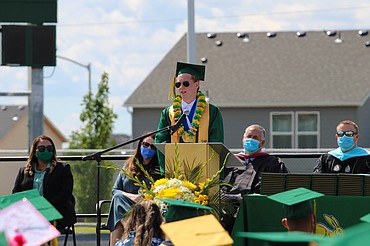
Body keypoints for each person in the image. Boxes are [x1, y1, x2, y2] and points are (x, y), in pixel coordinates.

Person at [155, 61, 224, 172]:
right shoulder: (168, 112)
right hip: (176, 169)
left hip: (204, 169)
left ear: (197, 84)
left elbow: (216, 142)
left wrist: (212, 170)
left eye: (185, 83)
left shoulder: (212, 111)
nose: (181, 87)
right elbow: (161, 141)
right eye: (178, 84)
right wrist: (167, 170)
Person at [12, 135, 76, 230]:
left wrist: (44, 207)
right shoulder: (24, 171)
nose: (46, 151)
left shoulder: (62, 169)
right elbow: (15, 194)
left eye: (49, 148)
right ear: (35, 152)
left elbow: (65, 193)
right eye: (42, 148)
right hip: (29, 214)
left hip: (55, 213)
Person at [107, 133, 161, 246]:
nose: (148, 148)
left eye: (152, 147)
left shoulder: (158, 170)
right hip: (127, 204)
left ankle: (128, 235)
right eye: (146, 145)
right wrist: (132, 196)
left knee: (118, 211)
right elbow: (115, 190)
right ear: (140, 145)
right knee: (117, 198)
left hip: (146, 207)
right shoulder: (128, 167)